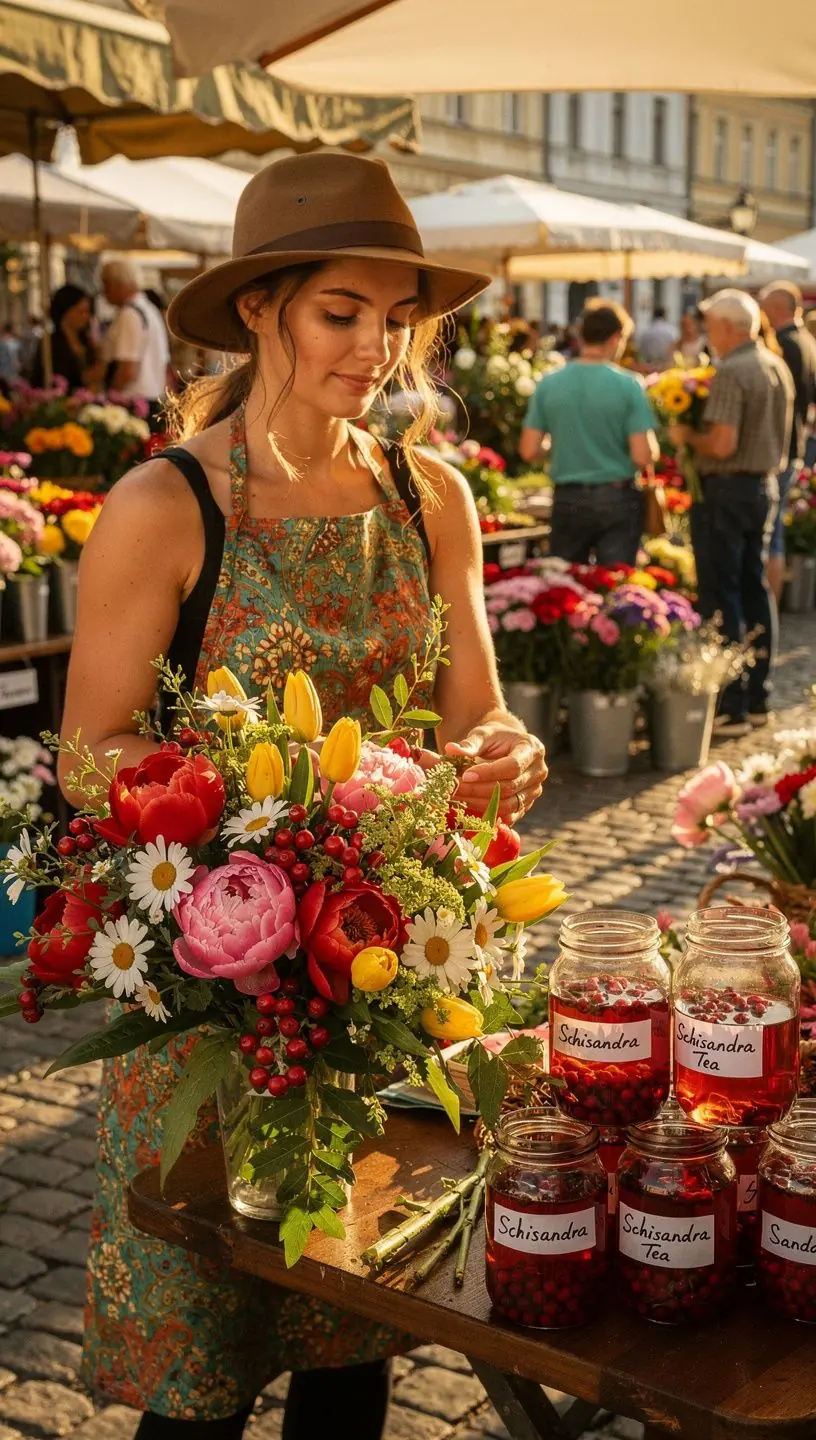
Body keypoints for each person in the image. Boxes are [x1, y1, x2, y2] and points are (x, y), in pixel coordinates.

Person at [60, 151, 548, 1440]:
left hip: (381, 996)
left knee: (354, 1348)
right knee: (202, 1378)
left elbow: (475, 709)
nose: (378, 348)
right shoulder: (162, 508)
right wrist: (248, 832)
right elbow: (87, 750)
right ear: (263, 306)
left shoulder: (428, 494)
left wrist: (505, 748)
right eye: (344, 311)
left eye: (398, 318)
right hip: (217, 1003)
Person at [668, 289, 793, 735]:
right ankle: (758, 697)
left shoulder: (731, 371)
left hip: (725, 490)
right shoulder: (773, 364)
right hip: (763, 488)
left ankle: (732, 704)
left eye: (711, 325)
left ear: (726, 327)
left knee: (722, 594)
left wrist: (687, 436)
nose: (708, 334)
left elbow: (721, 444)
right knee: (753, 587)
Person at [519, 299, 659, 565]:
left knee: (569, 588)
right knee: (614, 586)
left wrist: (564, 446)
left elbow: (529, 449)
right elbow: (643, 455)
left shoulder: (550, 384)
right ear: (616, 338)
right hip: (617, 497)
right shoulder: (628, 385)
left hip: (568, 496)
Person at [759, 281, 816, 601]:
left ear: (775, 310)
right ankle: (771, 606)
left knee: (771, 533)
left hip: (779, 448)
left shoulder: (785, 343)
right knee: (774, 528)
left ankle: (770, 605)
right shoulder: (806, 340)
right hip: (795, 445)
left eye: (765, 309)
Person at [100, 258, 170, 423]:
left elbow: (128, 369)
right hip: (154, 398)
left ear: (119, 283)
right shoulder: (149, 309)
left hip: (134, 403)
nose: (104, 292)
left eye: (106, 285)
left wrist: (109, 394)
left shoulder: (130, 313)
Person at [30, 285, 105, 392]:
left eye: (88, 312)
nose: (86, 317)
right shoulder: (51, 344)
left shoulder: (86, 340)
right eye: (81, 312)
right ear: (66, 312)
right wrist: (86, 378)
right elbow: (54, 379)